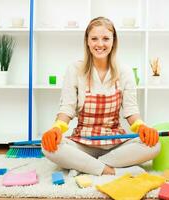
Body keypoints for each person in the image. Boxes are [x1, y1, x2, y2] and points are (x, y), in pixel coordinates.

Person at [41, 17, 160, 176]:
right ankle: (111, 170)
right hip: (83, 142)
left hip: (115, 143)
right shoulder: (75, 69)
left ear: (113, 41)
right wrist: (56, 129)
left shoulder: (124, 71)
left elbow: (131, 111)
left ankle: (84, 165)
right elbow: (67, 109)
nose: (100, 44)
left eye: (105, 39)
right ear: (87, 41)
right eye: (94, 38)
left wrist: (142, 127)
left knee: (155, 145)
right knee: (47, 147)